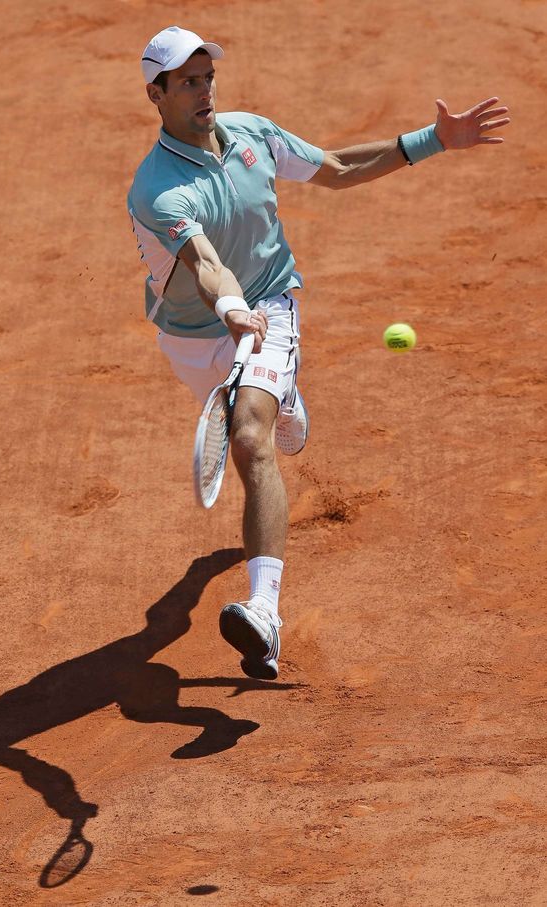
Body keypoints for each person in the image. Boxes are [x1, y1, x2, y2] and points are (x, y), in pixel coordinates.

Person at [127, 26, 509, 681]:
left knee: (250, 438)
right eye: (186, 82)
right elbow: (206, 264)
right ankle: (286, 398)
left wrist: (434, 140)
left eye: (206, 76)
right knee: (259, 418)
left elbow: (333, 169)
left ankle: (264, 612)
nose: (203, 90)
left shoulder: (252, 134)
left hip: (270, 305)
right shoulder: (158, 190)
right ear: (155, 95)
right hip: (196, 338)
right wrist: (227, 308)